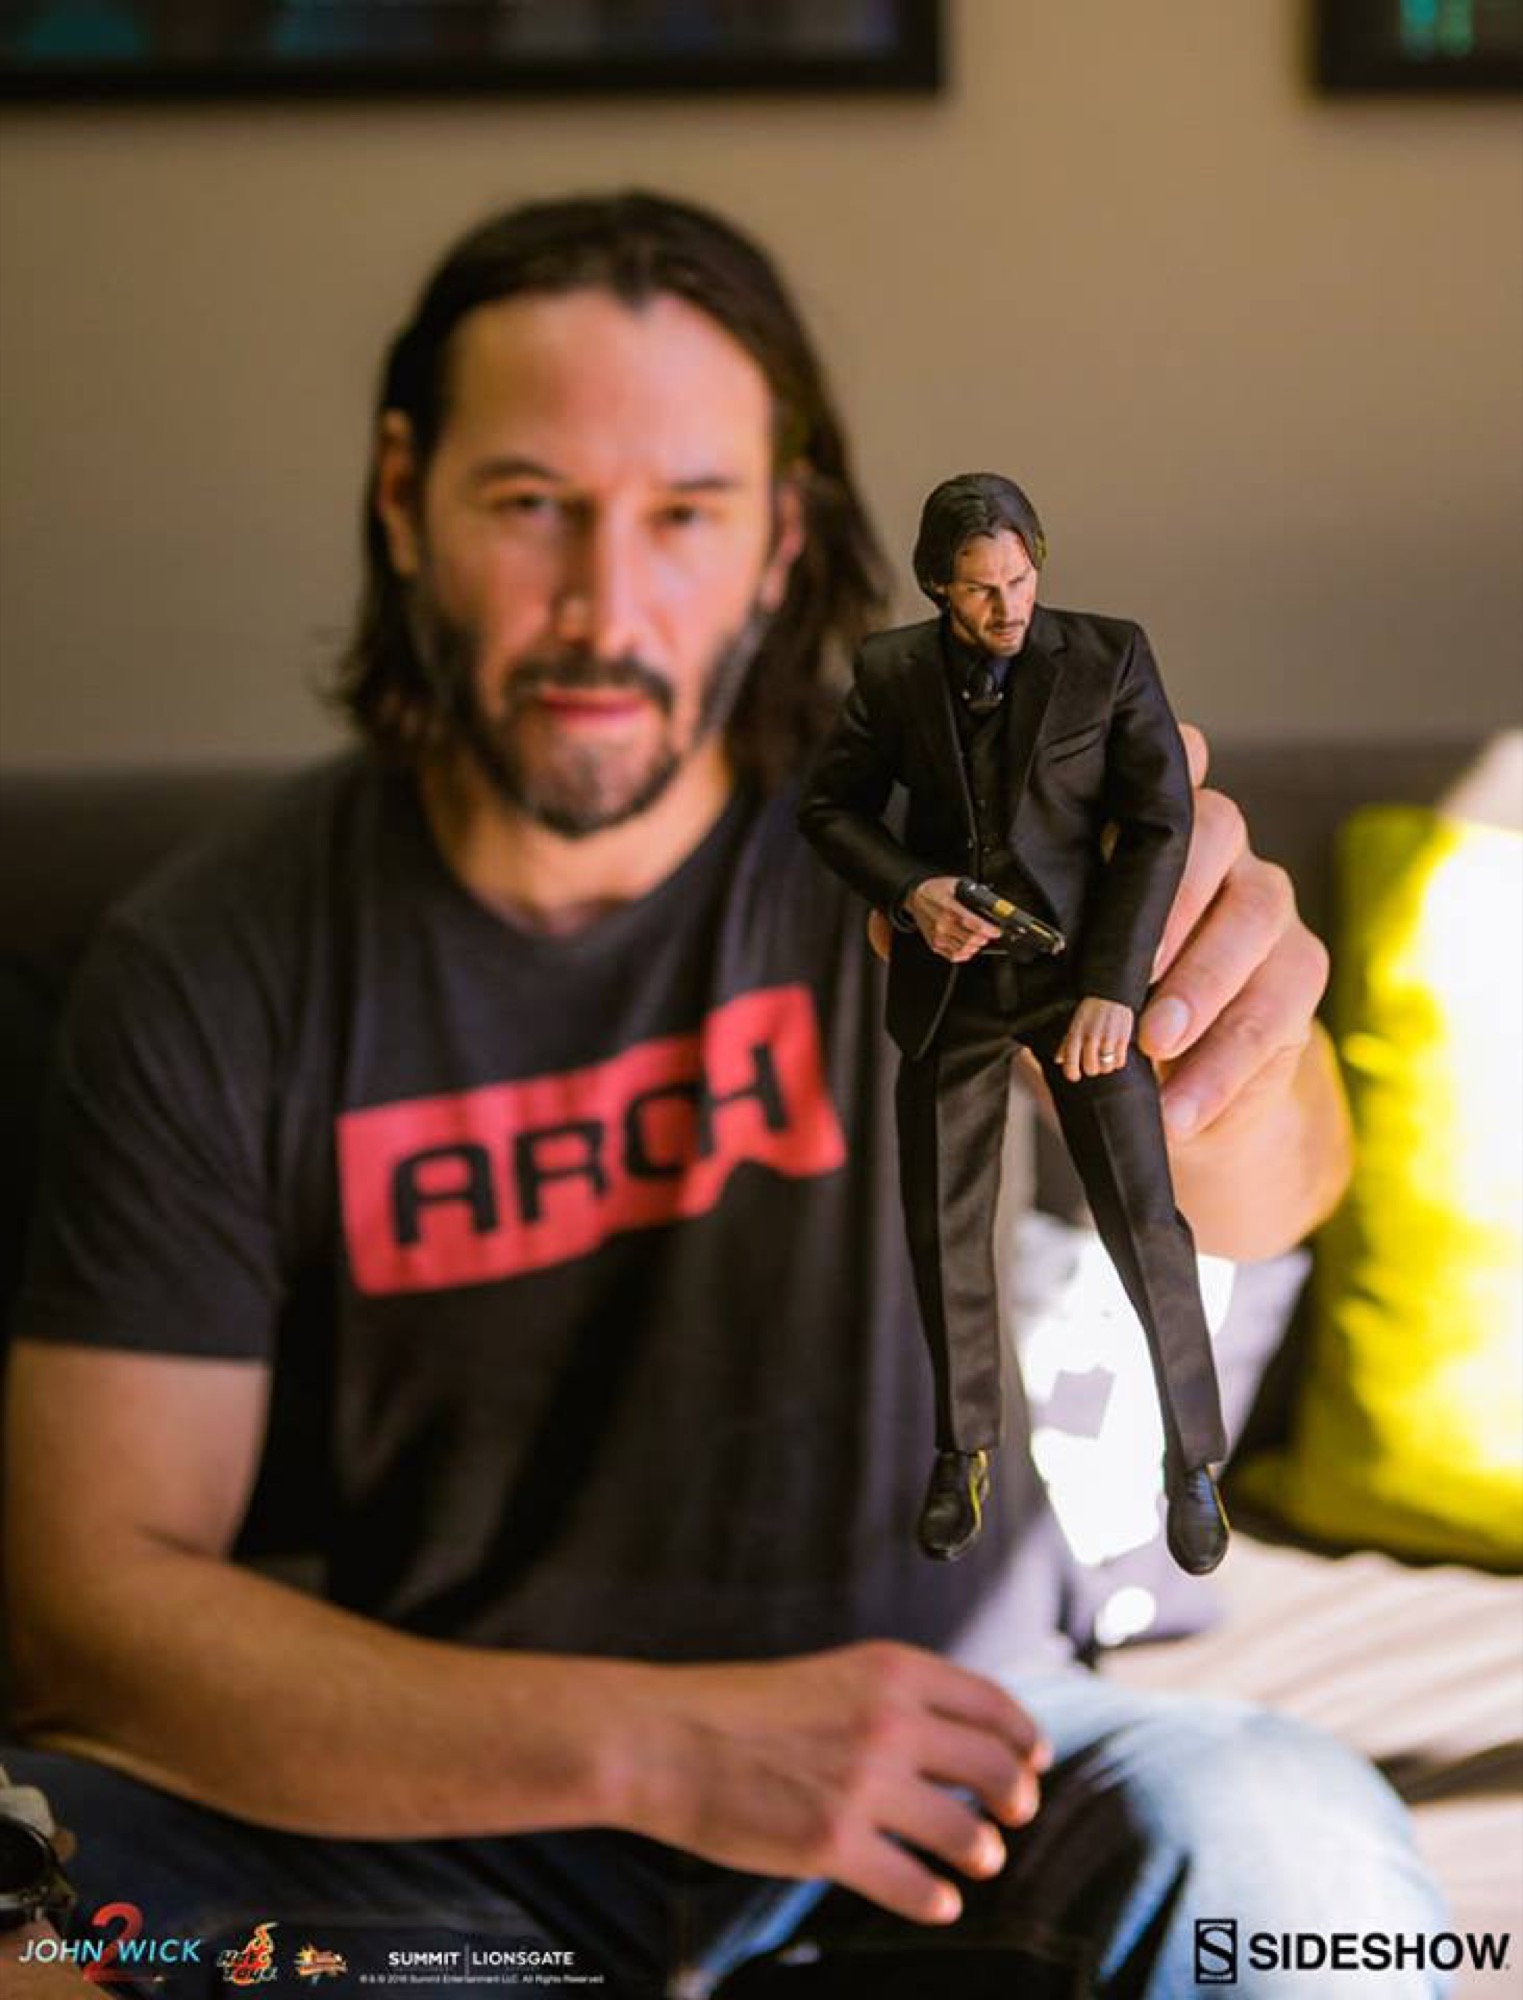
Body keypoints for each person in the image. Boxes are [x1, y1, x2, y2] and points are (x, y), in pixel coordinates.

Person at [2, 191, 1443, 1999]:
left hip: (972, 1760)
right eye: (532, 505)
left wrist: (1231, 1059)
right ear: (404, 497)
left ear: (778, 540)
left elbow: (1262, 1195)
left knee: (1285, 1845)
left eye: (685, 514)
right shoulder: (216, 962)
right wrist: (663, 1750)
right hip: (448, 1826)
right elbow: (88, 1609)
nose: (604, 610)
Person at [798, 472, 1229, 1573]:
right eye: (980, 590)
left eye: (1020, 580)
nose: (1006, 608)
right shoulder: (890, 670)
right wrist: (910, 890)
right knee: (944, 1228)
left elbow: (1159, 822)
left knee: (1145, 1218)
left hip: (1077, 978)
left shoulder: (1108, 654)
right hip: (949, 982)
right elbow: (828, 807)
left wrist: (1114, 986)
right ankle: (962, 1452)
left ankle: (1192, 1462)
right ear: (936, 587)